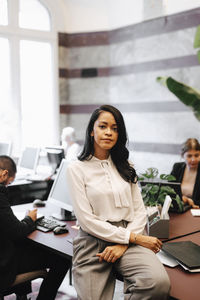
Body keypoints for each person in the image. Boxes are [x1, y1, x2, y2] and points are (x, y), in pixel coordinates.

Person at [66, 105, 170, 300]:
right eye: (103, 126)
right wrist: (135, 238)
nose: (109, 132)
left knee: (157, 283)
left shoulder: (126, 166)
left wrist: (124, 242)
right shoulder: (76, 169)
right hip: (93, 240)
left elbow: (139, 210)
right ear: (91, 130)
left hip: (129, 234)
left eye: (115, 128)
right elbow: (86, 220)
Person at [0, 155, 70, 300]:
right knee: (62, 259)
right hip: (3, 267)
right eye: (7, 183)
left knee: (24, 246)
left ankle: (22, 296)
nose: (6, 187)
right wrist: (30, 219)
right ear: (4, 174)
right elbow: (18, 232)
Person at [171, 138, 200, 208]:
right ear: (182, 155)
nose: (193, 159)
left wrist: (190, 201)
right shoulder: (177, 167)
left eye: (196, 155)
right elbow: (169, 190)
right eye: (189, 156)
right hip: (179, 209)